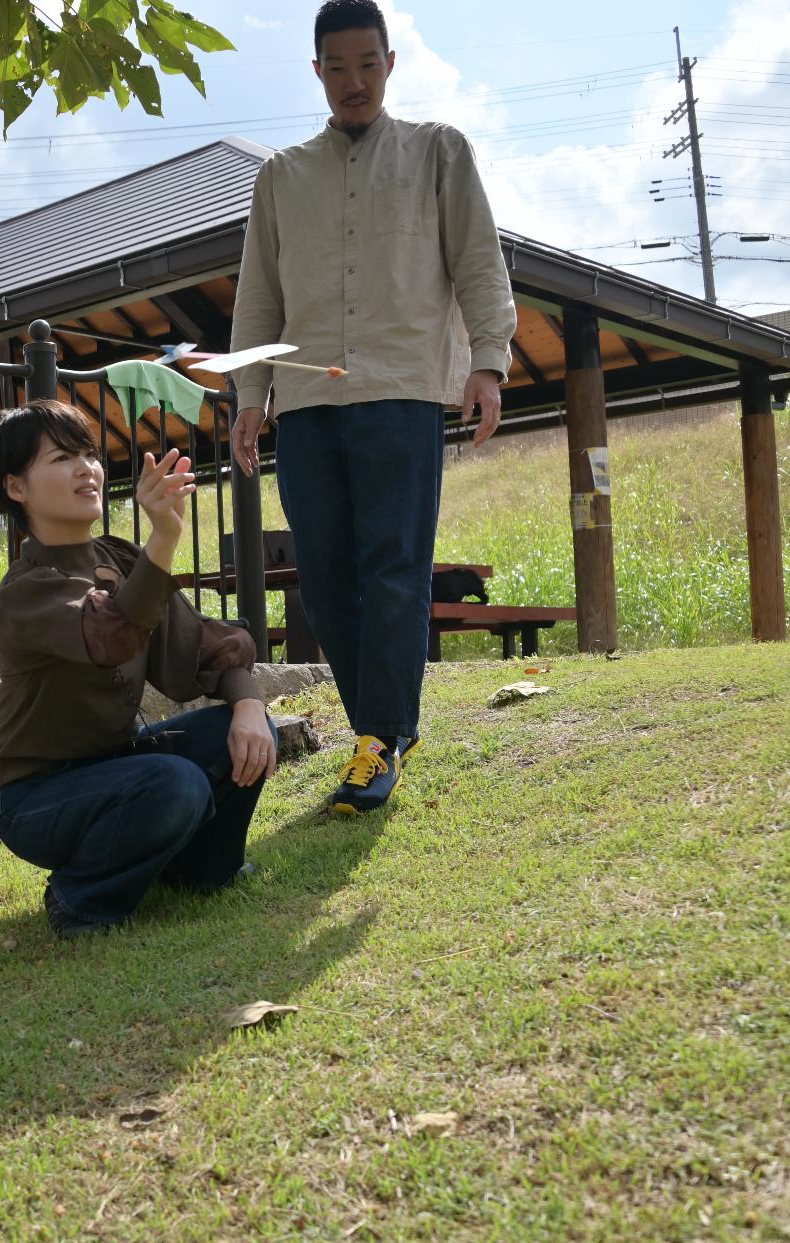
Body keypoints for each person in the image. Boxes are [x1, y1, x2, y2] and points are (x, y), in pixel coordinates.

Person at [228, 0, 517, 814]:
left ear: (390, 64)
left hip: (403, 388)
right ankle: (381, 732)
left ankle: (380, 738)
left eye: (368, 64)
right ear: (317, 72)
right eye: (338, 67)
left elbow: (478, 264)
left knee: (393, 566)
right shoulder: (281, 176)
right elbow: (259, 300)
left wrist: (487, 365)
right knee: (322, 574)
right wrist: (252, 394)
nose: (354, 82)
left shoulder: (438, 151)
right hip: (309, 396)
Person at [0, 398, 280, 939]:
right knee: (176, 783)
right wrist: (164, 537)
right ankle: (81, 900)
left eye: (87, 454)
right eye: (61, 458)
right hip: (35, 798)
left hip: (116, 767)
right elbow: (113, 635)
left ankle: (203, 872)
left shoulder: (117, 558)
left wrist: (249, 703)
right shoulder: (25, 591)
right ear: (16, 488)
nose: (85, 469)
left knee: (233, 733)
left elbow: (202, 647)